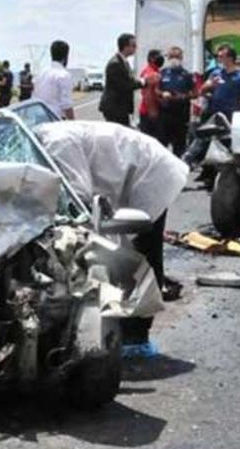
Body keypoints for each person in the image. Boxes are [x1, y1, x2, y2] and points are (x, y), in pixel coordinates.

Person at [34, 120, 188, 355]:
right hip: (128, 175)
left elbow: (79, 195)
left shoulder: (56, 143)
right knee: (118, 251)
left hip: (151, 175)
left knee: (140, 257)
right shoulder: (41, 140)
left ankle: (136, 336)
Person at [158, 46, 195, 157]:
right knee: (162, 145)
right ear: (168, 58)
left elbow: (195, 93)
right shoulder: (162, 73)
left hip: (181, 115)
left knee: (180, 146)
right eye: (172, 56)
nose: (174, 59)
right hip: (165, 114)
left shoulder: (187, 75)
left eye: (177, 56)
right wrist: (162, 94)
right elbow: (156, 90)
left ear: (181, 58)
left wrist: (183, 96)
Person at [99, 33, 141, 127]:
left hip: (120, 107)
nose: (135, 48)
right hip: (115, 108)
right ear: (125, 47)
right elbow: (125, 86)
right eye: (133, 45)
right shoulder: (115, 64)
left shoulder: (123, 62)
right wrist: (143, 82)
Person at [33, 40, 76, 119]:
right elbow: (66, 105)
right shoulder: (64, 75)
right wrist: (73, 123)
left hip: (39, 117)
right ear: (65, 57)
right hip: (55, 118)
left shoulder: (41, 73)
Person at [136, 49, 164, 140]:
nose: (162, 59)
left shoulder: (155, 71)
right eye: (159, 56)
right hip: (149, 113)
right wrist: (153, 112)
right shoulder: (150, 73)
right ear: (151, 58)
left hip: (150, 112)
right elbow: (147, 94)